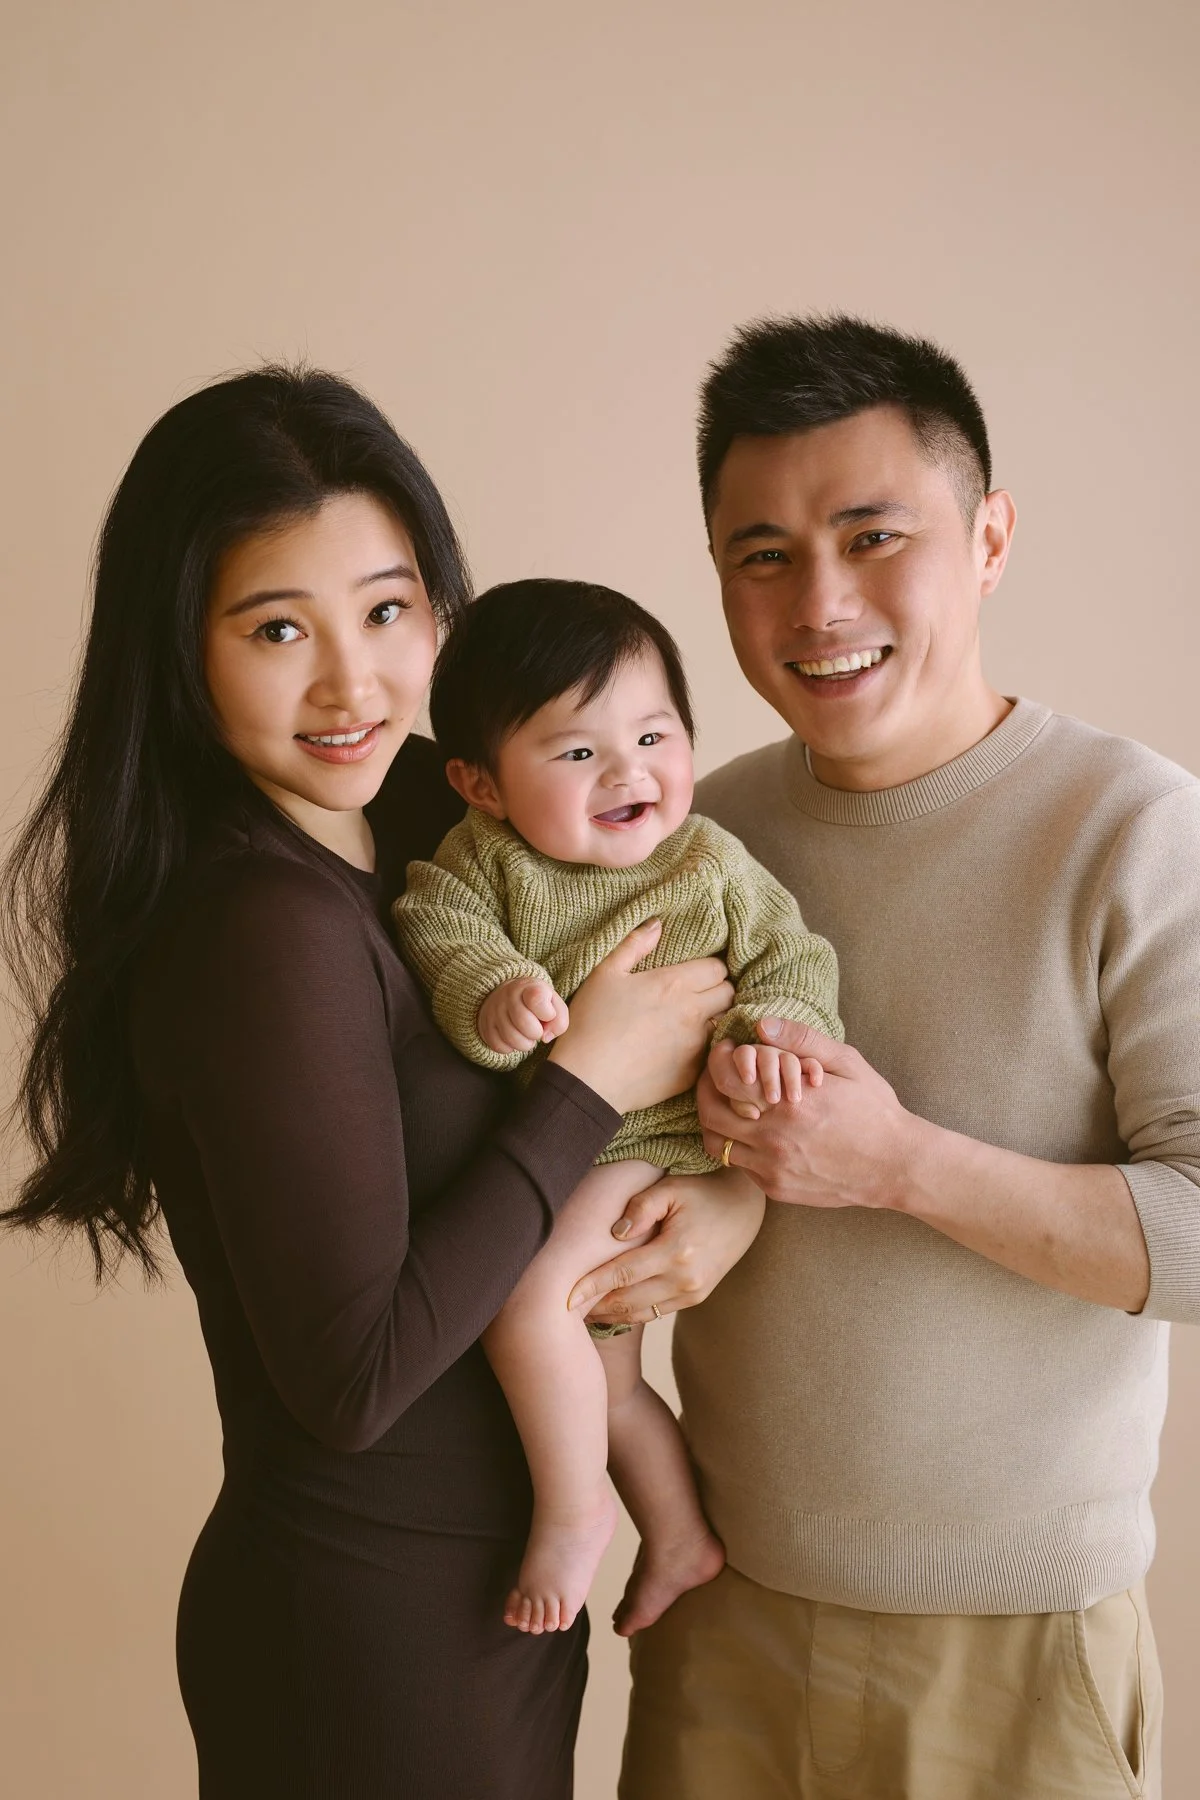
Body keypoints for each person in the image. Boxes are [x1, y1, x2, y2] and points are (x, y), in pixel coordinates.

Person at [0, 367, 767, 1800]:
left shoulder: (428, 807)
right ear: (180, 648)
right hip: (368, 1640)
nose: (353, 685)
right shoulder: (262, 924)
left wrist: (728, 1196)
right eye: (277, 629)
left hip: (492, 1610)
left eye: (389, 610)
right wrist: (588, 1080)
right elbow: (355, 1381)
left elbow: (680, 943)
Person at [599, 315, 1200, 1799]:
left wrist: (901, 1164)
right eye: (763, 555)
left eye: (875, 538)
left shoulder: (1135, 830)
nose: (820, 603)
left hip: (1021, 1655)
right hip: (724, 1612)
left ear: (989, 540)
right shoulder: (692, 836)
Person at [394, 577, 841, 1639]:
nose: (629, 771)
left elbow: (793, 956)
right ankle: (678, 1535)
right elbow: (439, 931)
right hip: (572, 1141)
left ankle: (573, 1508)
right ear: (482, 784)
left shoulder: (709, 860)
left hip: (659, 1141)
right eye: (578, 752)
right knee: (611, 1383)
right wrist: (498, 996)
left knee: (527, 1301)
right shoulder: (479, 861)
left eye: (652, 735)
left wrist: (770, 1037)